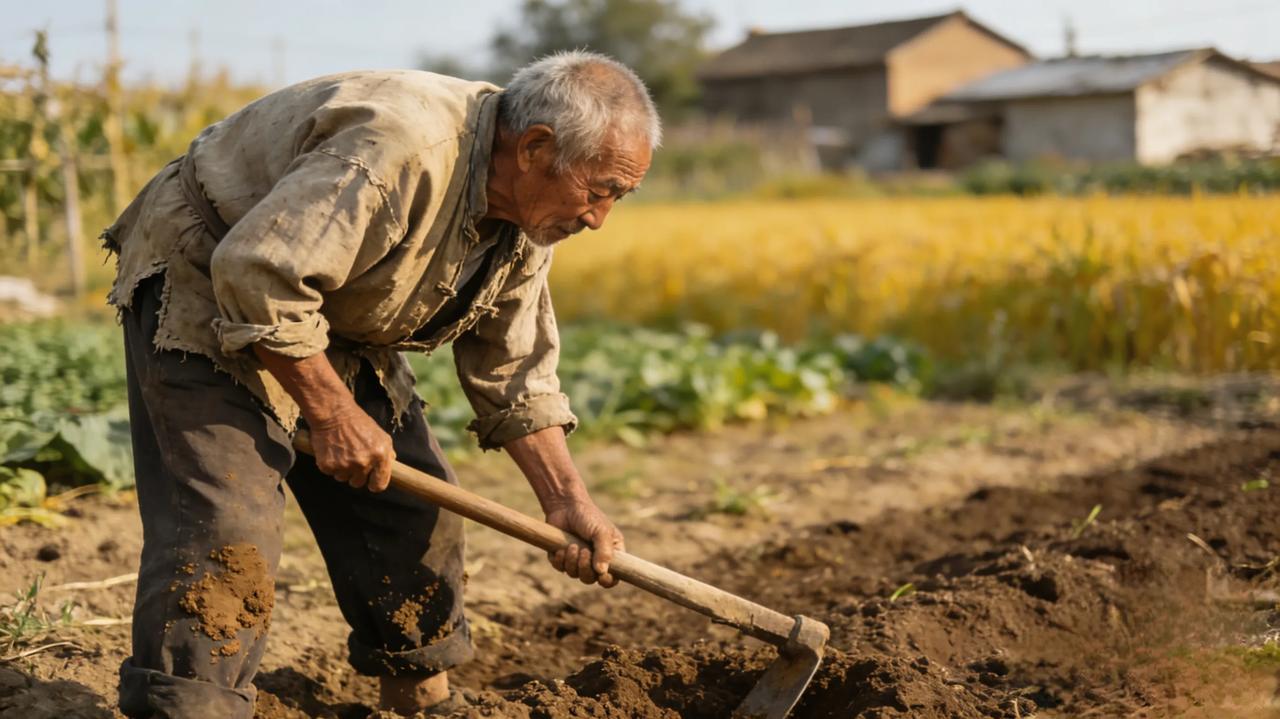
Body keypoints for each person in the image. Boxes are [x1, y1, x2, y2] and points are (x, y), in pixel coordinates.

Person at [102, 50, 659, 718]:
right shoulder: (400, 149)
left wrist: (567, 500)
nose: (599, 217)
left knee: (410, 510)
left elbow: (513, 370)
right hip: (208, 277)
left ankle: (418, 700)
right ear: (535, 148)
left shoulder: (525, 218)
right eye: (599, 191)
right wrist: (333, 413)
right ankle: (190, 708)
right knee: (226, 524)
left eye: (618, 197)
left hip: (326, 309)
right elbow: (256, 274)